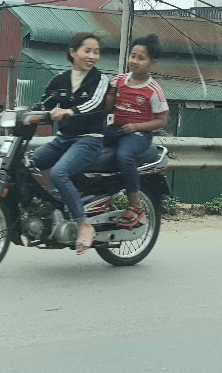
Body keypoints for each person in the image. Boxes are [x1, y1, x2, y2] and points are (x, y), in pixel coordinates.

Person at [29, 32, 111, 255]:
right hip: (64, 140)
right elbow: (43, 105)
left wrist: (69, 111)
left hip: (89, 140)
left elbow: (94, 104)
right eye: (88, 50)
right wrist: (19, 114)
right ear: (73, 52)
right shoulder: (60, 80)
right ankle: (46, 209)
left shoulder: (100, 80)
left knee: (59, 173)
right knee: (29, 163)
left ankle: (83, 224)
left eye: (96, 52)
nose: (93, 56)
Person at [105, 34, 169, 228]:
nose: (134, 61)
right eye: (133, 56)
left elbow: (162, 121)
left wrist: (136, 127)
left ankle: (135, 204)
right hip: (115, 129)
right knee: (85, 143)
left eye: (141, 58)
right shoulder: (119, 80)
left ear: (152, 63)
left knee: (124, 156)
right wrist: (111, 92)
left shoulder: (153, 90)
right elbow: (108, 108)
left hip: (138, 135)